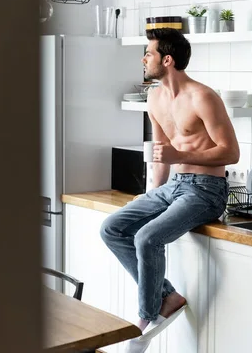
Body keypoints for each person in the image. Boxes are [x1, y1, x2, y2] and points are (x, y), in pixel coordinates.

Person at [100, 28, 239, 352]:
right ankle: (169, 296)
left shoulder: (203, 96)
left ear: (167, 59)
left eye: (148, 53)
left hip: (206, 190)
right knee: (112, 228)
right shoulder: (155, 97)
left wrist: (182, 156)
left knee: (147, 237)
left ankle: (145, 321)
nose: (143, 59)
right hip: (173, 186)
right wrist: (152, 193)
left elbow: (230, 152)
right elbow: (161, 151)